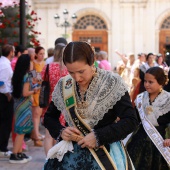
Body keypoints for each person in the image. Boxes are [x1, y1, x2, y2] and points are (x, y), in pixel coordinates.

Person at [43, 41, 138, 169]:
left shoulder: (112, 83)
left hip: (105, 153)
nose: (77, 77)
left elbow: (130, 120)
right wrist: (61, 131)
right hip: (70, 157)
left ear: (92, 62)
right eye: (71, 72)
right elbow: (49, 118)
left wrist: (99, 136)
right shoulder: (64, 85)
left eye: (81, 71)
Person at [126, 67, 170, 170]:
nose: (146, 84)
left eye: (151, 82)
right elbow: (134, 118)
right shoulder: (141, 98)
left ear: (160, 82)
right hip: (139, 140)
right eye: (145, 81)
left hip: (161, 141)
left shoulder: (168, 99)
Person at [10, 54, 38, 163]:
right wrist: (34, 91)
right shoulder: (26, 76)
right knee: (21, 132)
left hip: (18, 105)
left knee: (20, 131)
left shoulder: (17, 75)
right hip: (24, 106)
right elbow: (25, 92)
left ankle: (19, 152)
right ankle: (14, 154)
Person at [41, 43, 68, 156]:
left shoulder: (48, 67)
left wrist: (30, 70)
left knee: (48, 134)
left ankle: (49, 159)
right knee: (62, 133)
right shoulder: (68, 68)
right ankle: (59, 158)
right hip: (65, 102)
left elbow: (38, 80)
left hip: (50, 101)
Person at [0, 44, 14, 158]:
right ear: (10, 52)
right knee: (5, 123)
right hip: (4, 97)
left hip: (4, 96)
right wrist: (7, 94)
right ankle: (2, 148)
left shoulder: (4, 63)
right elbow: (1, 82)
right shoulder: (4, 65)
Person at [31, 46, 45, 146]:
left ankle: (36, 133)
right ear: (36, 54)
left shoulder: (44, 64)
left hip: (41, 90)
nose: (42, 56)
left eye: (43, 54)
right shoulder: (33, 64)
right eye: (40, 54)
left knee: (39, 113)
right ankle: (35, 135)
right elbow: (33, 77)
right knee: (36, 114)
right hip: (35, 89)